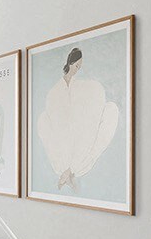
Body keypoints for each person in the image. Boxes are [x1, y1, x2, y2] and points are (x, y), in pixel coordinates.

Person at [37, 48, 118, 190]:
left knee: (110, 111)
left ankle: (70, 171)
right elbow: (59, 126)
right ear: (70, 63)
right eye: (76, 66)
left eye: (79, 67)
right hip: (65, 147)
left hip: (80, 150)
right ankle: (68, 172)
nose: (77, 69)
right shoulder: (55, 92)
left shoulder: (83, 87)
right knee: (43, 121)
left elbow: (85, 123)